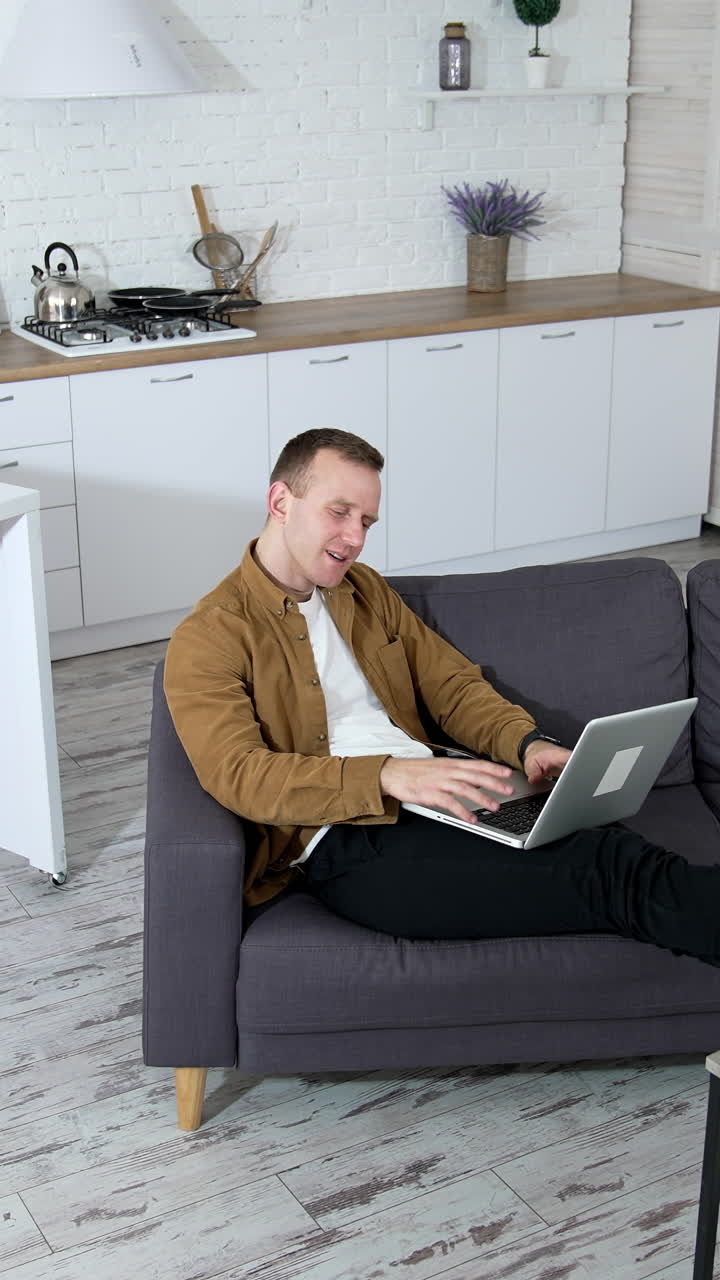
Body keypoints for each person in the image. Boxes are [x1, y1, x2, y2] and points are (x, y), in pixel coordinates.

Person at [164, 428, 720, 964]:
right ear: (281, 501)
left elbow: (451, 686)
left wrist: (525, 744)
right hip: (349, 840)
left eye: (366, 521)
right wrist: (385, 775)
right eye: (339, 513)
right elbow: (238, 773)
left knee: (606, 842)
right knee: (609, 870)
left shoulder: (364, 592)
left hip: (444, 790)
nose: (355, 538)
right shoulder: (209, 637)